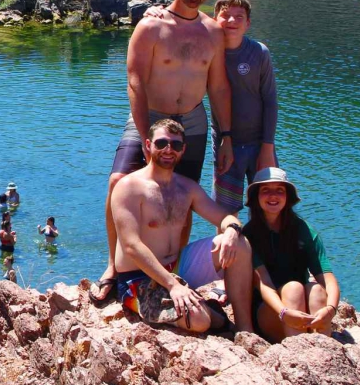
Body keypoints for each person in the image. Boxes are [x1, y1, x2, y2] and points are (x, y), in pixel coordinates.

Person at [94, 0, 234, 305]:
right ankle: (113, 266)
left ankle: (173, 266)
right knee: (117, 183)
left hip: (192, 120)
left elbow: (218, 88)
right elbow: (135, 81)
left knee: (183, 197)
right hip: (150, 117)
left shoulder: (213, 32)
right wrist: (144, 134)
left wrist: (226, 136)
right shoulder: (151, 26)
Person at [109, 118, 254, 334]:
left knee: (240, 244)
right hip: (138, 279)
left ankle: (245, 330)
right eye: (161, 143)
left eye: (175, 145)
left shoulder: (187, 188)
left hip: (178, 266)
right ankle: (215, 316)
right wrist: (172, 285)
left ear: (183, 150)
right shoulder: (129, 187)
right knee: (199, 321)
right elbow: (131, 245)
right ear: (148, 145)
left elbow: (225, 218)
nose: (169, 150)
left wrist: (232, 230)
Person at [243, 168, 339, 341]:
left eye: (279, 190)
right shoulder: (249, 235)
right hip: (271, 311)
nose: (273, 196)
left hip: (301, 309)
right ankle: (298, 352)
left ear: (288, 197)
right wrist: (284, 312)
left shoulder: (303, 230)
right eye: (266, 191)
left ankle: (323, 348)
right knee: (293, 288)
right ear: (256, 197)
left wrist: (331, 309)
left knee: (316, 290)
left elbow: (327, 278)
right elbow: (264, 284)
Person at [211, 0, 279, 212]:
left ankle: (264, 248)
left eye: (239, 17)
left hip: (260, 143)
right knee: (225, 212)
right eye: (225, 15)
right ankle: (229, 247)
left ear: (248, 23)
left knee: (268, 209)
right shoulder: (208, 54)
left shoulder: (259, 53)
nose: (231, 21)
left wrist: (267, 148)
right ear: (214, 19)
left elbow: (270, 100)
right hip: (225, 143)